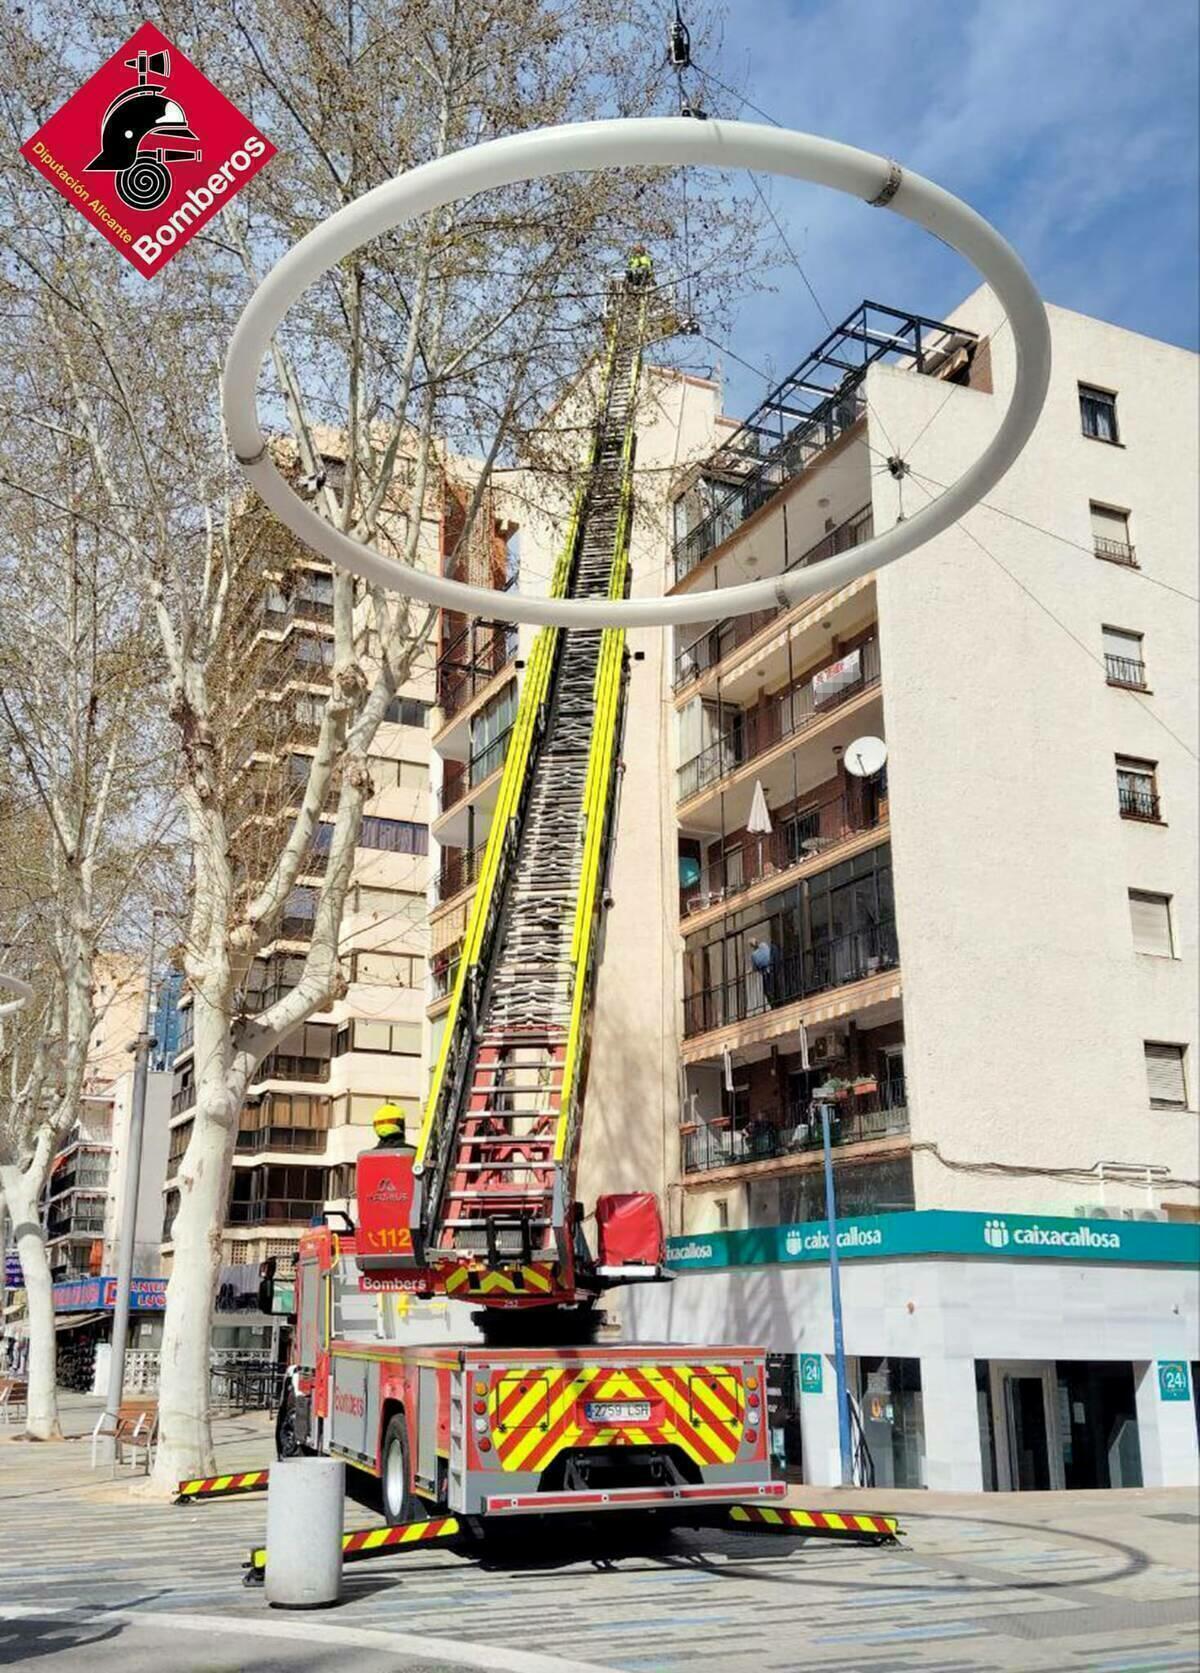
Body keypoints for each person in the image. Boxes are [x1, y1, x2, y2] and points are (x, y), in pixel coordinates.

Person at [748, 936, 777, 1008]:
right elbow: (769, 955)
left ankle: (773, 1005)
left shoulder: (754, 955)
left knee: (768, 990)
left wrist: (750, 971)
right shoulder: (764, 945)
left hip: (766, 972)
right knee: (772, 988)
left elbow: (755, 966)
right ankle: (775, 1003)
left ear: (752, 946)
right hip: (772, 968)